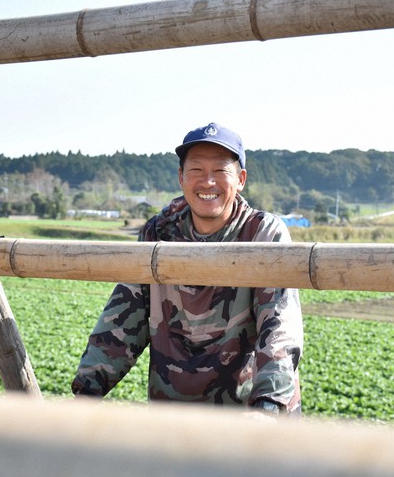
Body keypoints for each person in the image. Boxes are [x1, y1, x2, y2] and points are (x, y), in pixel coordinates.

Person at [72, 122, 303, 416]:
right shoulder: (159, 231)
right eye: (196, 170)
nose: (208, 182)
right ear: (181, 177)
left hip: (251, 410)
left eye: (220, 171)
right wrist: (86, 391)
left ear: (241, 179)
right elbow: (123, 318)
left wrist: (268, 407)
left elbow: (280, 326)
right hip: (174, 411)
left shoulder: (262, 233)